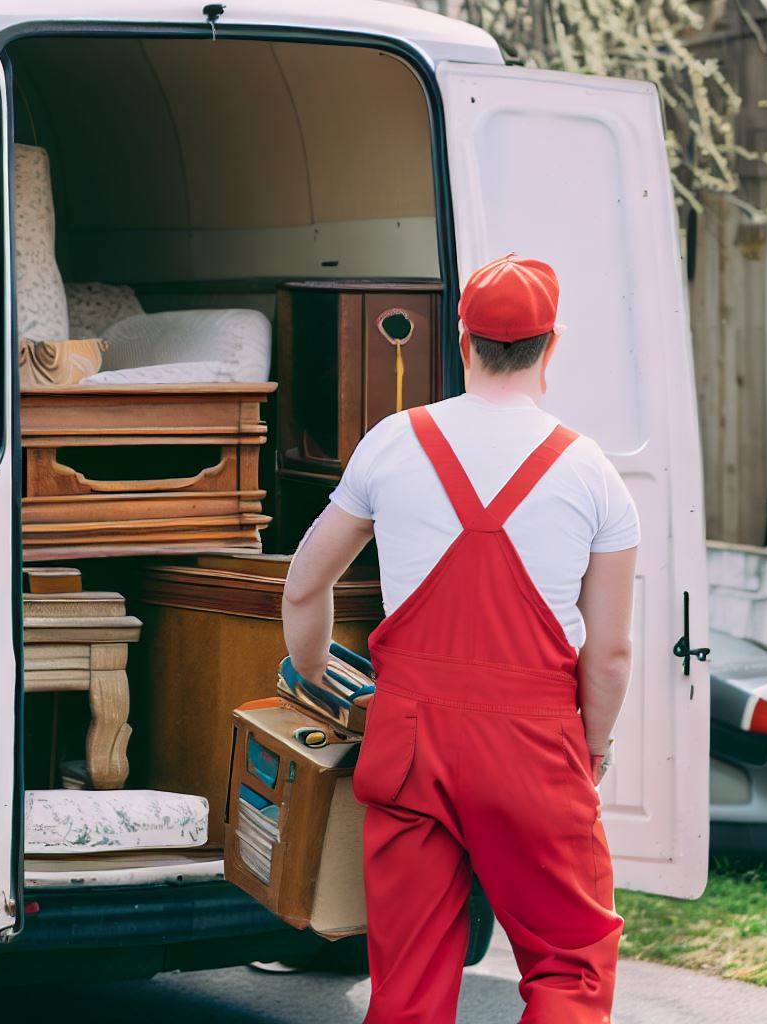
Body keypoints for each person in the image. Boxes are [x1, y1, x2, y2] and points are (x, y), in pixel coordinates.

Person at [281, 253, 637, 1024]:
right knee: (569, 963)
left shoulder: (391, 443)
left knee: (407, 985)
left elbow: (306, 584)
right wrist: (594, 748)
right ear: (553, 344)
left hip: (408, 745)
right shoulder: (592, 472)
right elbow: (608, 654)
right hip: (535, 749)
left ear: (463, 338)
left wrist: (314, 675)